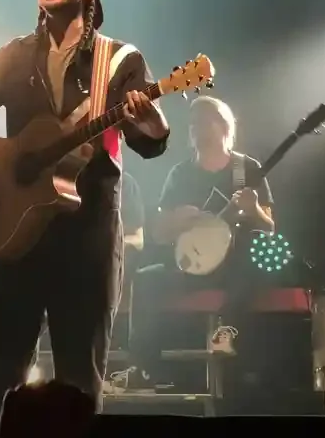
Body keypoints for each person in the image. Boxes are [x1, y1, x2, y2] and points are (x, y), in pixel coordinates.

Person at [0, 0, 170, 438]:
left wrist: (150, 118)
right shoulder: (15, 54)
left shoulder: (118, 59)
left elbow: (151, 141)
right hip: (17, 233)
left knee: (77, 378)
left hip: (86, 233)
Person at [108, 95, 274, 392]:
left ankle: (229, 328)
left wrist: (255, 210)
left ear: (224, 125)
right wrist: (180, 220)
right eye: (193, 123)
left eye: (205, 120)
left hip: (233, 266)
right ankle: (144, 369)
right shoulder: (180, 174)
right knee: (146, 280)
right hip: (190, 264)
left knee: (254, 251)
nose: (197, 128)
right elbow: (158, 233)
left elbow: (270, 227)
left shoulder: (245, 168)